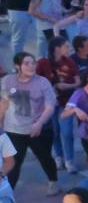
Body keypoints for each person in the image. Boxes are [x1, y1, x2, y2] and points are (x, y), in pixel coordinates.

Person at [1, 51, 59, 193]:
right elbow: (3, 103)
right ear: (17, 66)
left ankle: (53, 181)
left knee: (45, 157)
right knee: (13, 162)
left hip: (37, 129)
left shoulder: (42, 82)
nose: (31, 66)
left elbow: (50, 105)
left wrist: (39, 123)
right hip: (14, 130)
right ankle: (9, 190)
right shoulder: (8, 80)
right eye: (27, 63)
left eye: (33, 63)